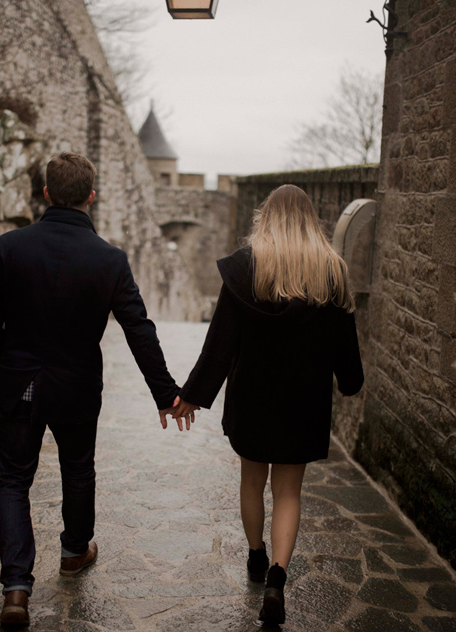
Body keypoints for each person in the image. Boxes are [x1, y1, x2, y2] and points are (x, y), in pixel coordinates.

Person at [0, 152, 186, 628]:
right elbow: (139, 329)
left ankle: (16, 589)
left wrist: (0, 374)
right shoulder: (109, 259)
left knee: (13, 481)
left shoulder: (10, 247)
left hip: (20, 385)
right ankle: (74, 551)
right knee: (77, 469)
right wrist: (165, 392)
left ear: (46, 193)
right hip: (75, 388)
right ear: (91, 196)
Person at [173, 184, 364, 625]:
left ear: (267, 217)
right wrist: (351, 382)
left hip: (253, 397)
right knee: (289, 492)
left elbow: (219, 344)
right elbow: (346, 351)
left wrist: (192, 396)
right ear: (309, 219)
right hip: (304, 401)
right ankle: (277, 579)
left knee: (251, 483)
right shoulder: (332, 273)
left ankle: (256, 557)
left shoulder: (245, 269)